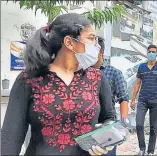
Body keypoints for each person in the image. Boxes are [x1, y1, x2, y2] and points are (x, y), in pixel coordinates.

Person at [1, 13, 115, 155]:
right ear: (69, 42)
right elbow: (11, 136)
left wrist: (104, 141)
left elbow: (109, 118)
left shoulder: (97, 78)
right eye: (91, 38)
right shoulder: (28, 79)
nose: (96, 46)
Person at [94, 37, 129, 156]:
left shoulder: (113, 73)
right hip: (87, 127)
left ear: (100, 52)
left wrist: (123, 124)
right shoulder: (80, 73)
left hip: (106, 126)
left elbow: (123, 98)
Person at [130, 45, 157, 155]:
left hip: (155, 101)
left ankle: (150, 151)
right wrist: (132, 100)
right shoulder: (141, 67)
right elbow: (137, 84)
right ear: (147, 53)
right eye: (149, 51)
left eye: (153, 52)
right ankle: (142, 149)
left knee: (153, 127)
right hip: (142, 100)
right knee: (139, 125)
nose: (151, 53)